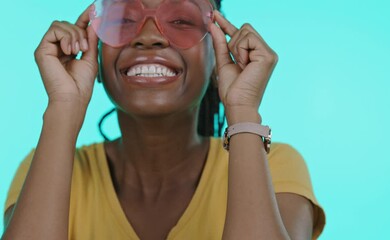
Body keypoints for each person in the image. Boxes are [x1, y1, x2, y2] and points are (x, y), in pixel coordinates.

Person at [2, 0, 325, 239]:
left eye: (182, 20)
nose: (148, 37)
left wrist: (242, 109)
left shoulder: (275, 167)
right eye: (124, 19)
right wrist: (63, 106)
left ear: (217, 52)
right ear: (95, 50)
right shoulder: (45, 168)